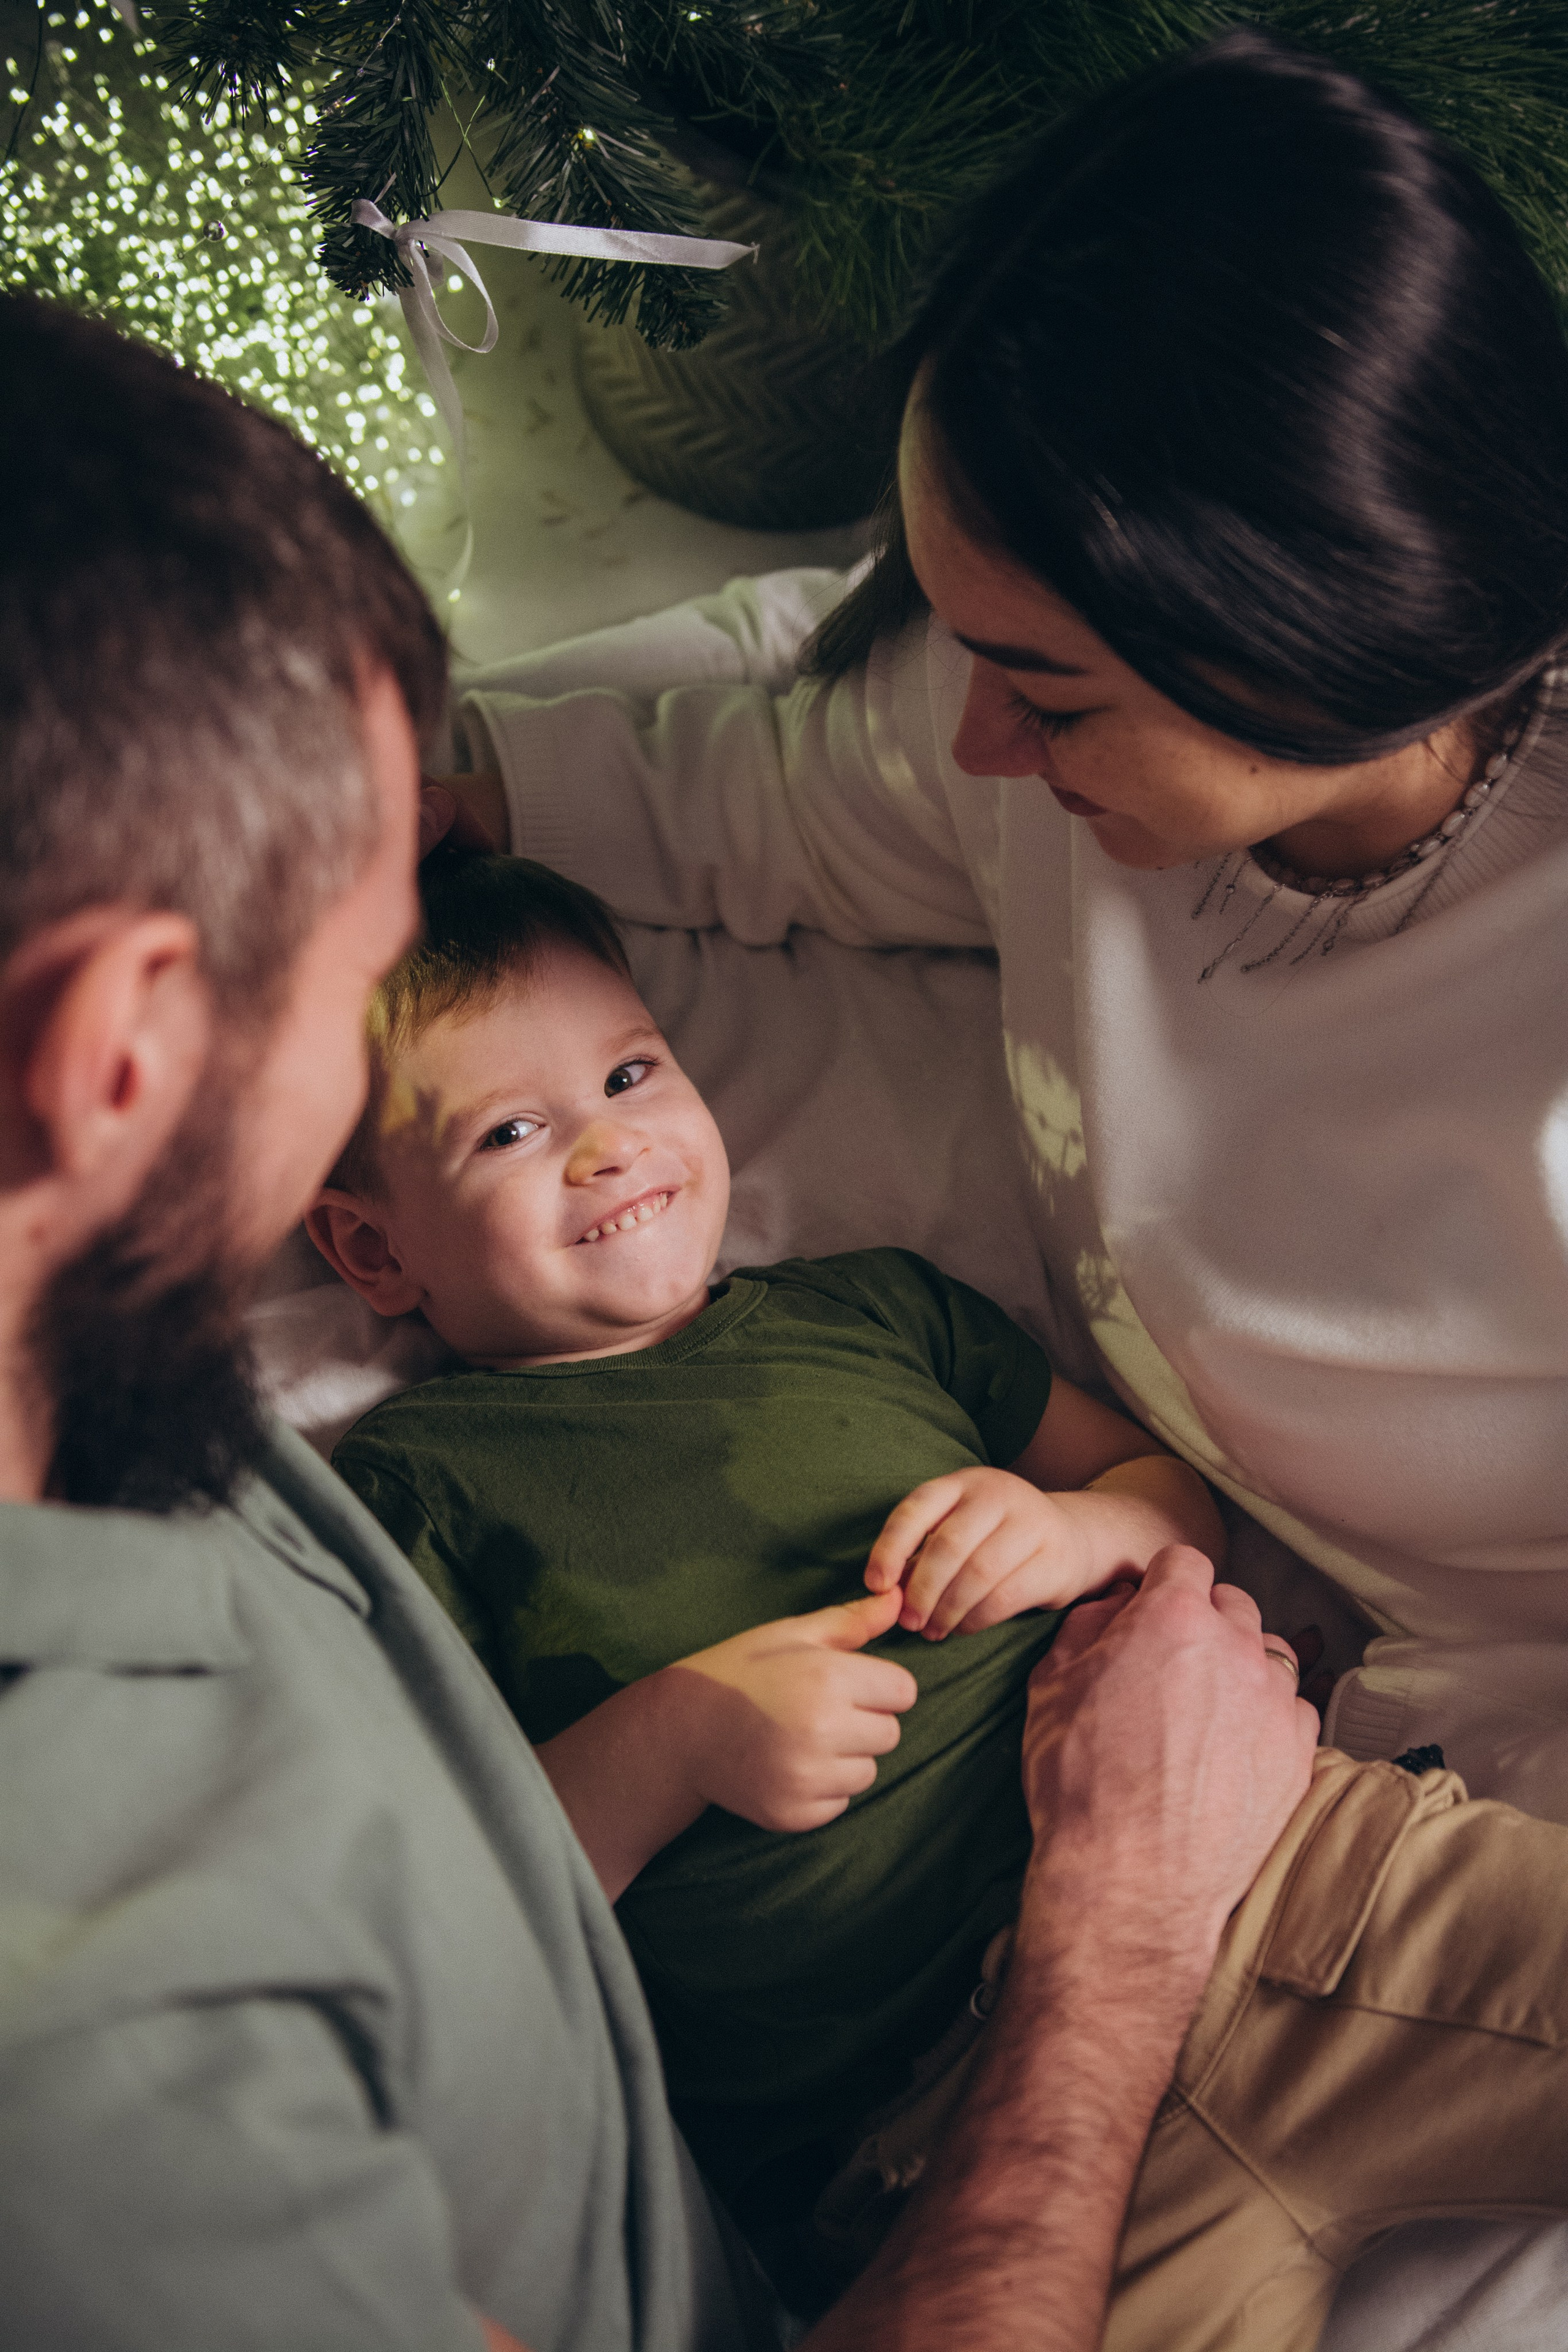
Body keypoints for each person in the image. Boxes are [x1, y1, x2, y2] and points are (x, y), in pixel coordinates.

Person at [0, 236, 1562, 2352]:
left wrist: (1109, 1546)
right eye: (369, 928)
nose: (990, 746)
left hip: (1302, 1878)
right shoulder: (132, 2026)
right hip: (945, 2143)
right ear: (122, 1050)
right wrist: (1108, 1924)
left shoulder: (829, 1316)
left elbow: (779, 771)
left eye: (631, 1076)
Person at [432, 26, 1568, 1816]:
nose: (976, 746)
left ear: (1308, 645)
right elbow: (778, 789)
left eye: (1048, 696)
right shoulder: (1015, 735)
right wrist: (418, 799)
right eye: (962, 648)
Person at [305, 843, 1225, 2263]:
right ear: (372, 1257)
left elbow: (1171, 1493)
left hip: (1267, 1879)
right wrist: (669, 1748)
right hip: (930, 2119)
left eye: (629, 1077)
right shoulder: (415, 1487)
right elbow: (441, 1888)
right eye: (508, 1133)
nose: (608, 1146)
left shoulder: (873, 1309)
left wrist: (1070, 1528)